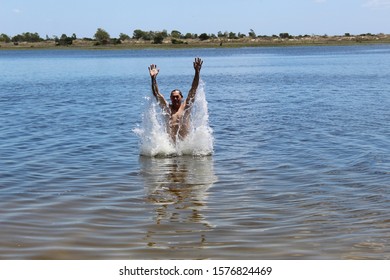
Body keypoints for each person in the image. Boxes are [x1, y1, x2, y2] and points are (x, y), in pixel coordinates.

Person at [148, 57, 203, 142]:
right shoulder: (167, 108)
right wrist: (153, 79)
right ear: (170, 98)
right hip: (171, 147)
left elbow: (194, 88)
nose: (175, 98)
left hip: (185, 145)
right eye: (173, 97)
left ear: (181, 97)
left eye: (177, 96)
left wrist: (197, 72)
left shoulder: (186, 107)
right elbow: (156, 94)